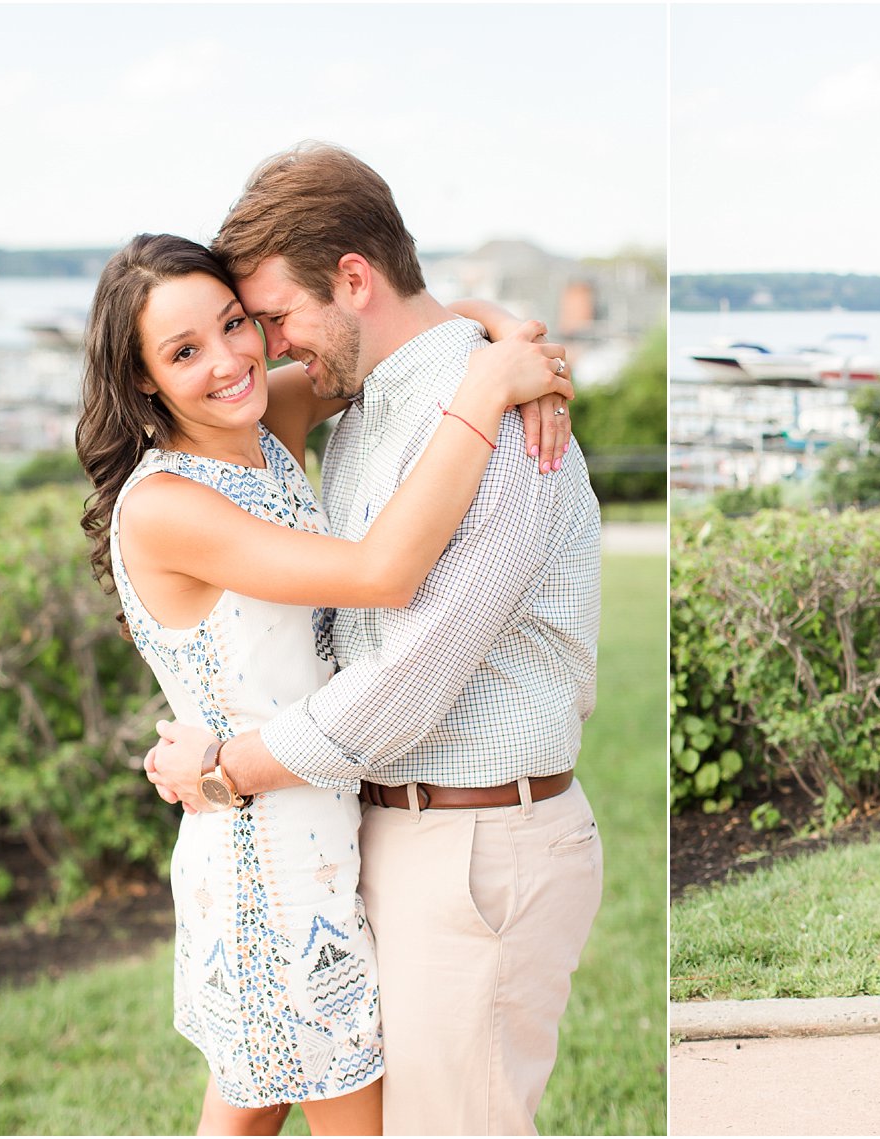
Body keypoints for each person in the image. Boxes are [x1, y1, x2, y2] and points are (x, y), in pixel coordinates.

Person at [145, 143, 604, 1136]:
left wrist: (227, 765)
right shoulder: (363, 407)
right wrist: (490, 327)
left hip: (475, 842)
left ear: (353, 278)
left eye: (265, 319)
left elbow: (408, 675)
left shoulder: (505, 426)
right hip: (375, 834)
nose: (257, 352)